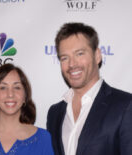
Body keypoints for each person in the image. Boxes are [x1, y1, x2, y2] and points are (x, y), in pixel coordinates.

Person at [46, 22, 132, 155]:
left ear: (97, 55)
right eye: (64, 58)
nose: (72, 64)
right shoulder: (54, 113)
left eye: (79, 54)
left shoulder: (125, 105)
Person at [0, 63, 54, 155]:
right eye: (3, 87)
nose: (10, 94)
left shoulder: (43, 139)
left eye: (17, 87)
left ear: (25, 96)